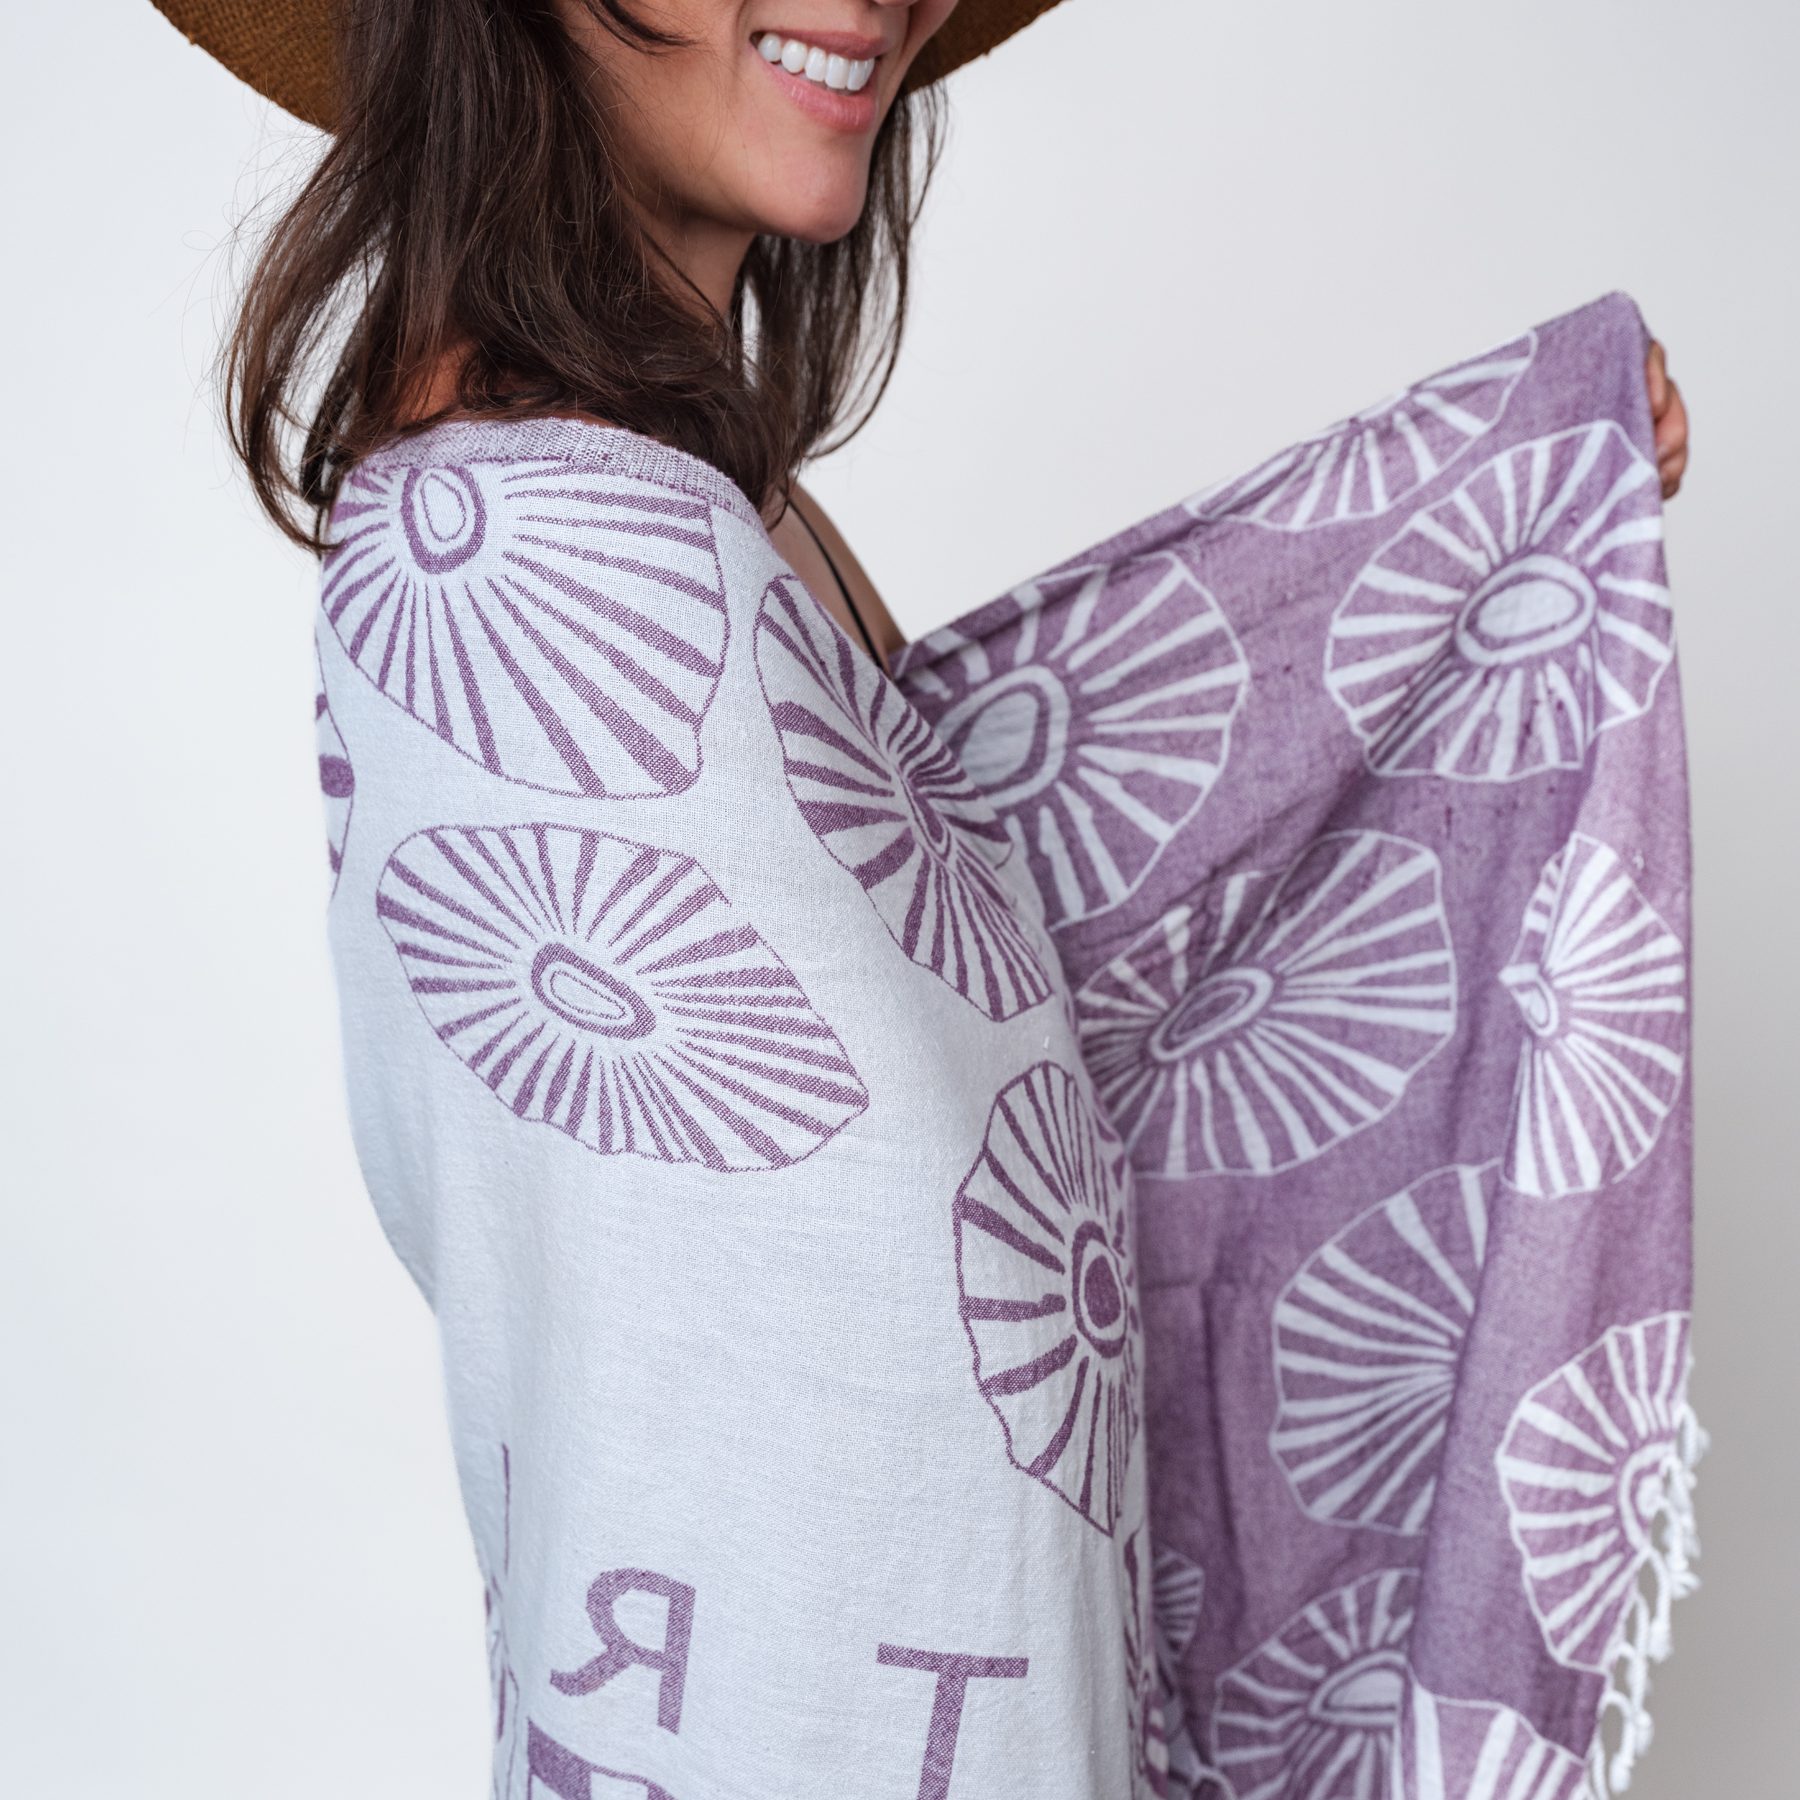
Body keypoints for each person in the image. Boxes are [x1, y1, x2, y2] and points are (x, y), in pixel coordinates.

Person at [152, 3, 1693, 1796]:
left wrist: (1504, 521)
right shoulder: (550, 550)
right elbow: (870, 1346)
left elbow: (971, 929)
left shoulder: (685, 497)